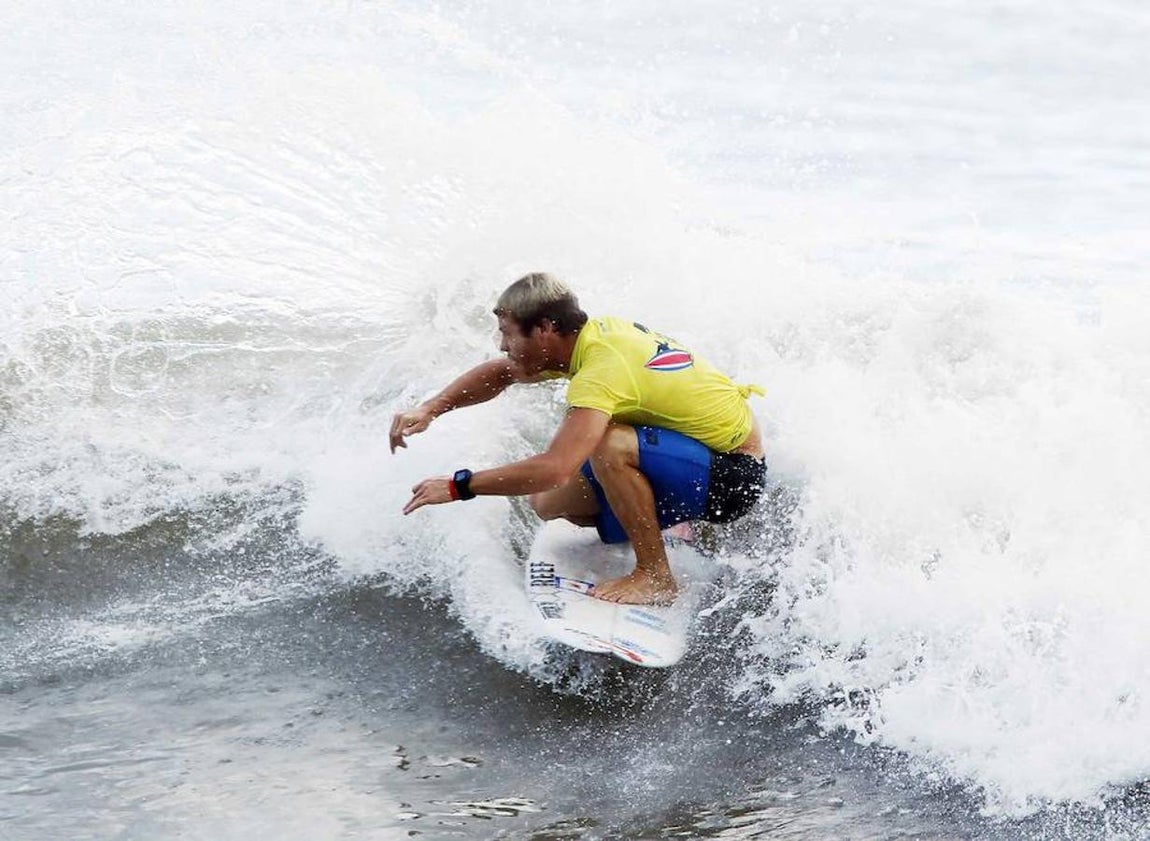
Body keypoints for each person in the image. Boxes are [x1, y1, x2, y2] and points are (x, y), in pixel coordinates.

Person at [392, 272, 767, 605]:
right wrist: (431, 408)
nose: (502, 344)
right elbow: (501, 373)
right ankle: (665, 520)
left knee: (608, 445)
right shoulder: (586, 339)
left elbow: (554, 468)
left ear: (543, 330)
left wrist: (459, 487)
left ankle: (655, 576)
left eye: (507, 333)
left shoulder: (602, 370)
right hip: (692, 454)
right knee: (547, 503)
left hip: (734, 476)